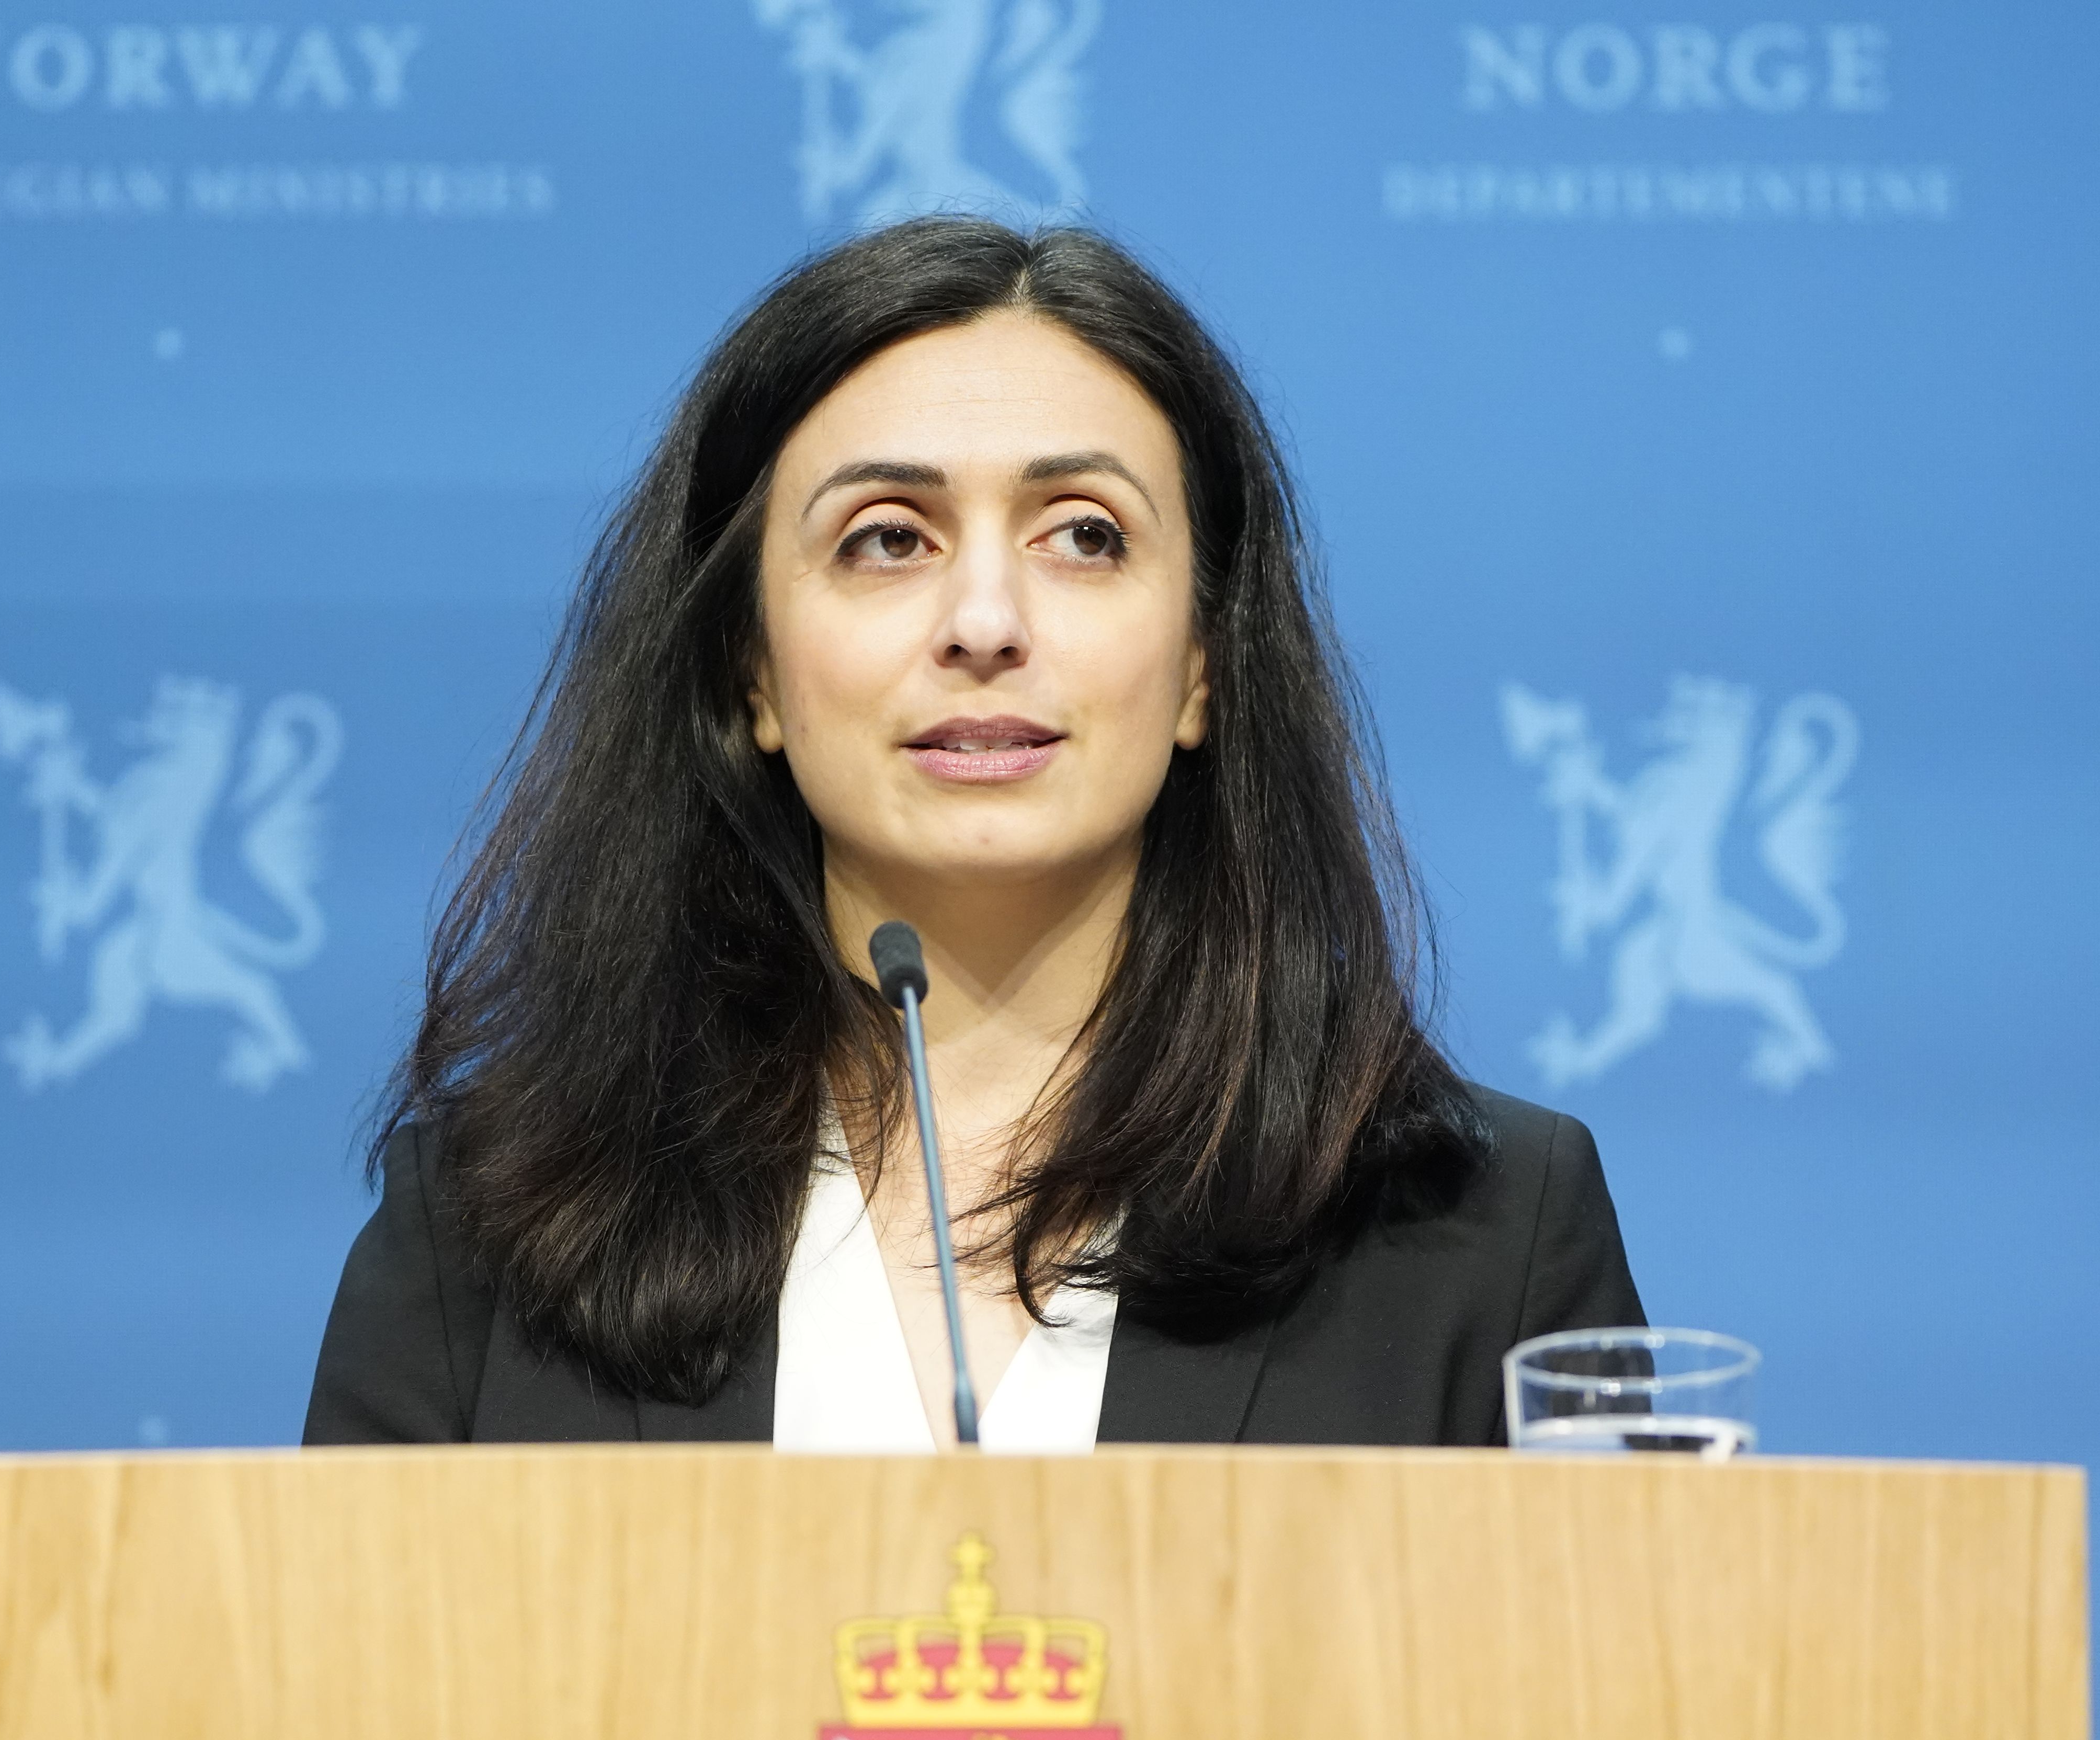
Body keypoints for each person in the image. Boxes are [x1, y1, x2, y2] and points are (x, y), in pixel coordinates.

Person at [305, 217, 1641, 1451]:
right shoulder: (486, 1240)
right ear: (749, 671)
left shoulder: (1485, 1239)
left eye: (1085, 536)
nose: (986, 622)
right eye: (889, 540)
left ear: (1203, 665)